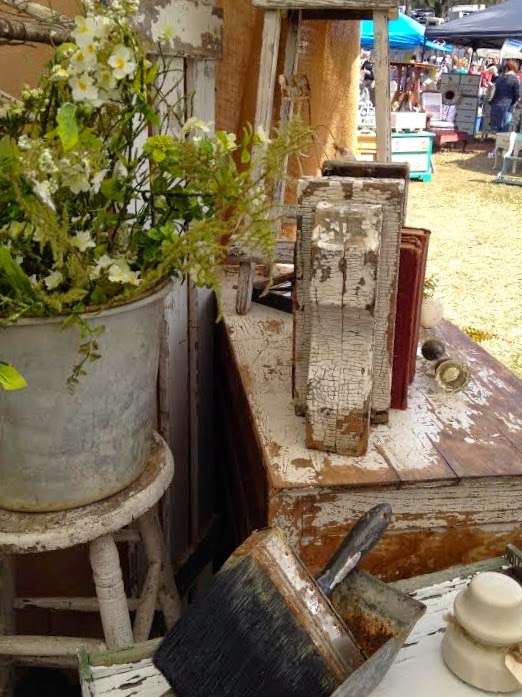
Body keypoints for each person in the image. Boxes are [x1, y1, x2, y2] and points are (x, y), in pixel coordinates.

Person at [489, 59, 521, 134]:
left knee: (497, 128)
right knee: (504, 130)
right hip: (508, 106)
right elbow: (517, 95)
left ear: (507, 68)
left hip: (496, 104)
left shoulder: (500, 78)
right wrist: (515, 102)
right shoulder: (515, 79)